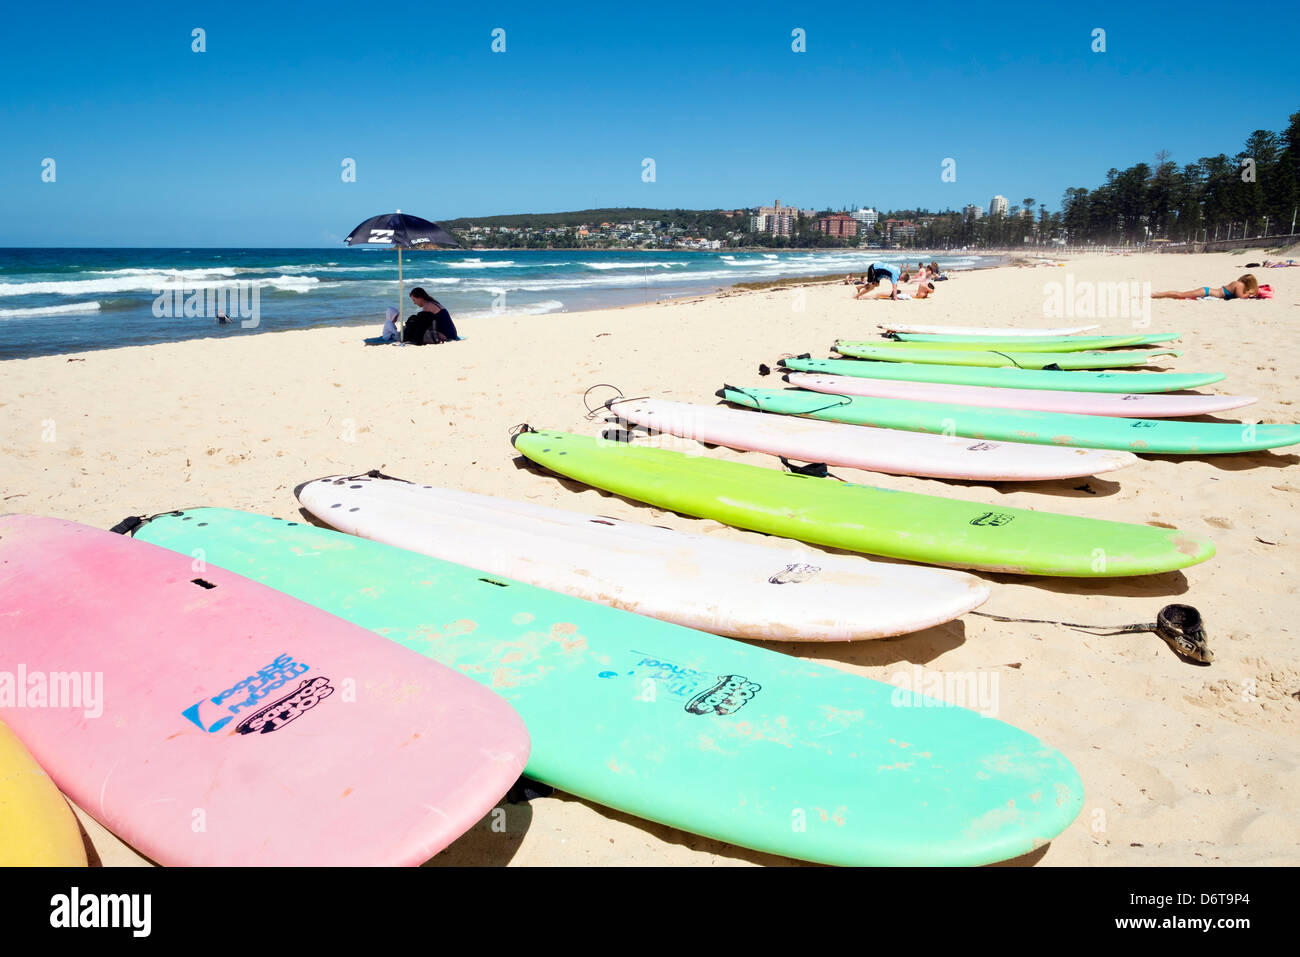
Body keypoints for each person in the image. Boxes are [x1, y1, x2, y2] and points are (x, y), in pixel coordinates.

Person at [1151, 274, 1260, 300]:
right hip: (1206, 292)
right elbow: (1241, 297)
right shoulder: (1239, 285)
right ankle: (1157, 294)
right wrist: (1250, 293)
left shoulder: (1237, 283)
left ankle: (1158, 294)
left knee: (1181, 295)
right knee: (1181, 295)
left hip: (1207, 291)